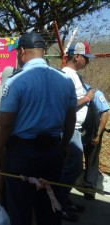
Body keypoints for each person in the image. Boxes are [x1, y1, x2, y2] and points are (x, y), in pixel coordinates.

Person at [0, 32, 77, 225]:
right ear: (43, 52)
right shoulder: (65, 80)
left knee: (20, 211)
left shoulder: (15, 82)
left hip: (22, 154)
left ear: (22, 51)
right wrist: (63, 145)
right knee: (50, 209)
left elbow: (4, 123)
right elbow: (70, 119)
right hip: (52, 152)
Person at [60, 42, 96, 222]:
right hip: (70, 129)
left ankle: (63, 200)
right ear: (76, 56)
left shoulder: (75, 76)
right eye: (86, 58)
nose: (87, 62)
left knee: (71, 167)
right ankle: (59, 204)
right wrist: (87, 98)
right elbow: (65, 103)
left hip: (75, 129)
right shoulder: (67, 75)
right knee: (71, 168)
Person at [82, 87, 109, 200]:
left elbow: (105, 113)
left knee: (92, 160)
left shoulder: (96, 93)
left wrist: (98, 134)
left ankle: (89, 188)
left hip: (93, 132)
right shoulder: (75, 90)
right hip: (78, 129)